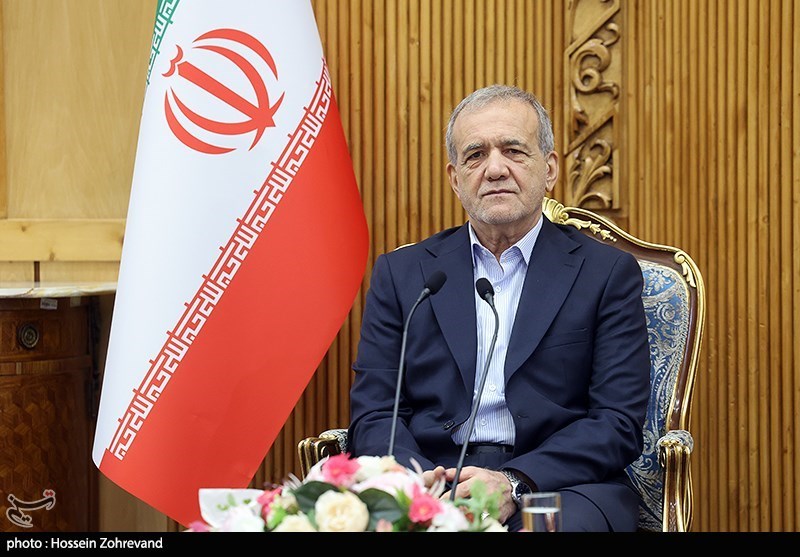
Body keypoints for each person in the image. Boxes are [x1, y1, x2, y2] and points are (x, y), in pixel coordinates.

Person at [347, 84, 651, 532]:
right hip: (431, 474)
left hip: (559, 482)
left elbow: (617, 422)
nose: (494, 169)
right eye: (475, 155)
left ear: (549, 169)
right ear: (455, 178)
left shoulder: (605, 274)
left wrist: (513, 481)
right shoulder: (404, 275)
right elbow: (376, 412)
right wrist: (425, 484)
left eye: (513, 150)